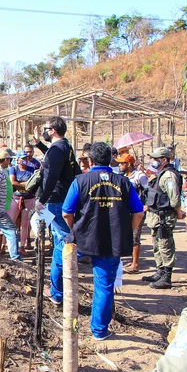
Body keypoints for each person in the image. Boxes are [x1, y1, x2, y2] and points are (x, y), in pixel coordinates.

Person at [62, 142, 145, 340]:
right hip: (111, 240)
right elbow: (139, 212)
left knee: (60, 259)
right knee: (104, 285)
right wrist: (126, 231)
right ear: (111, 160)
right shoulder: (123, 182)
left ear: (90, 160)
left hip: (83, 238)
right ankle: (99, 330)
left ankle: (57, 297)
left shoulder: (81, 181)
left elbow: (67, 212)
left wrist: (76, 230)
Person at [32, 118, 80, 305]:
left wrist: (42, 200)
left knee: (62, 240)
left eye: (45, 129)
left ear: (52, 130)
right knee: (56, 234)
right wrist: (39, 144)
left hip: (55, 200)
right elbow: (54, 160)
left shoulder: (57, 149)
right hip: (61, 198)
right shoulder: (65, 146)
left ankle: (57, 292)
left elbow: (51, 175)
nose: (44, 132)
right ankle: (60, 287)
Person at [142, 147, 185, 289]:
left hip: (164, 218)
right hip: (156, 216)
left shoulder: (169, 176)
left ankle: (167, 276)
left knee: (165, 245)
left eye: (156, 158)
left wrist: (178, 212)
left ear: (164, 160)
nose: (152, 161)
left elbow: (174, 199)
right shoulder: (160, 174)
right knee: (157, 245)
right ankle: (160, 271)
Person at [116, 153, 149, 273]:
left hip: (136, 212)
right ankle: (131, 260)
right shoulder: (123, 176)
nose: (120, 165)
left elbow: (149, 190)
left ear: (129, 164)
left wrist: (146, 205)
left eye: (122, 163)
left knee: (135, 237)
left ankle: (135, 264)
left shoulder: (140, 176)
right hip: (125, 211)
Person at [0, 150, 21, 261]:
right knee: (11, 231)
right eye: (9, 159)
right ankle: (15, 258)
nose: (10, 162)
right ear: (5, 160)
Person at [9, 151, 36, 255]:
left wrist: (20, 184)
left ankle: (22, 247)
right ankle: (7, 246)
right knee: (11, 222)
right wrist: (26, 185)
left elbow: (33, 183)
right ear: (17, 159)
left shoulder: (31, 169)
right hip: (15, 198)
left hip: (28, 199)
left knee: (25, 224)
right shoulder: (13, 169)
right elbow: (13, 182)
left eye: (26, 158)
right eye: (23, 158)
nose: (24, 160)